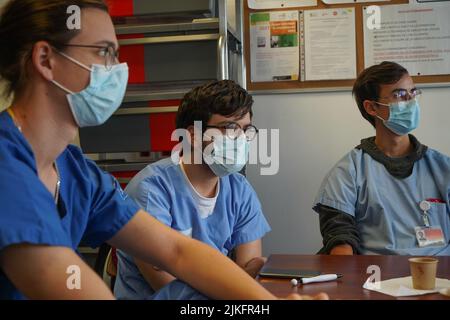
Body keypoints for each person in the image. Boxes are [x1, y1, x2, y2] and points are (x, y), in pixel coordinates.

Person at [0, 0, 328, 300]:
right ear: (46, 60)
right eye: (104, 52)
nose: (117, 69)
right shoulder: (5, 164)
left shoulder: (78, 174)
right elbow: (57, 277)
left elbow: (176, 251)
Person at [114, 80, 271, 300]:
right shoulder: (151, 190)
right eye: (230, 128)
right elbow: (168, 288)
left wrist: (241, 285)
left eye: (246, 130)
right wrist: (235, 285)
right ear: (194, 134)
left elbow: (249, 273)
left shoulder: (240, 189)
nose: (241, 139)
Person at [313, 61, 450, 256]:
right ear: (372, 108)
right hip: (377, 278)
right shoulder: (348, 172)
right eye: (400, 95)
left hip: (440, 278)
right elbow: (340, 240)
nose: (411, 101)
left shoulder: (443, 168)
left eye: (413, 93)